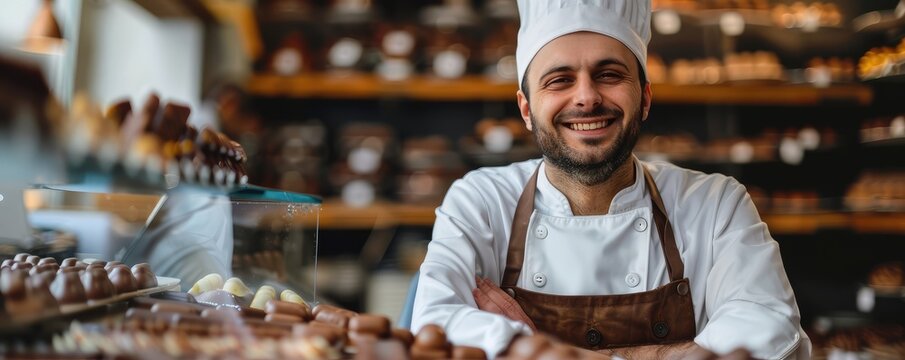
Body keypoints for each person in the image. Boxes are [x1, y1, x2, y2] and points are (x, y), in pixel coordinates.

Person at [411, 0, 811, 359]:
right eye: (559, 79)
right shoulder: (482, 200)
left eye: (609, 74)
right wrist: (672, 354)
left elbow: (769, 326)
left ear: (646, 98)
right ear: (526, 109)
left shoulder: (715, 203)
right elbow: (434, 325)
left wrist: (537, 349)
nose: (586, 97)